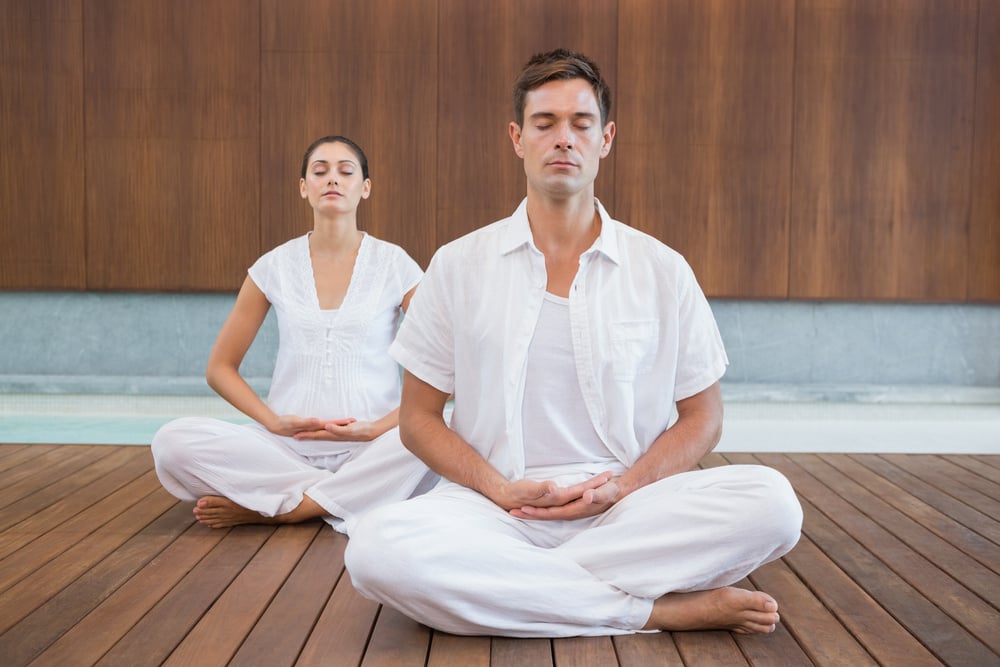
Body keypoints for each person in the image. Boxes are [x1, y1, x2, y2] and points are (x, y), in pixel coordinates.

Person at [344, 50, 802, 637]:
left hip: (628, 509)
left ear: (606, 138)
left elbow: (704, 417)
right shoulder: (457, 265)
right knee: (376, 551)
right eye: (545, 123)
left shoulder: (662, 268)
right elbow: (418, 419)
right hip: (495, 508)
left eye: (581, 124)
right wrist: (498, 487)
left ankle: (521, 590)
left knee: (773, 503)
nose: (564, 139)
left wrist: (622, 487)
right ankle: (650, 611)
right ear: (517, 137)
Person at [151, 136, 436, 534]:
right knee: (171, 442)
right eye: (319, 171)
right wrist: (272, 422)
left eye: (345, 171)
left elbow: (445, 362)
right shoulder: (274, 266)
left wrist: (375, 428)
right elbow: (220, 369)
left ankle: (284, 508)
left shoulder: (395, 264)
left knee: (447, 431)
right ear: (304, 187)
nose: (332, 179)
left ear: (365, 188)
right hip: (285, 451)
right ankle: (347, 497)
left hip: (374, 448)